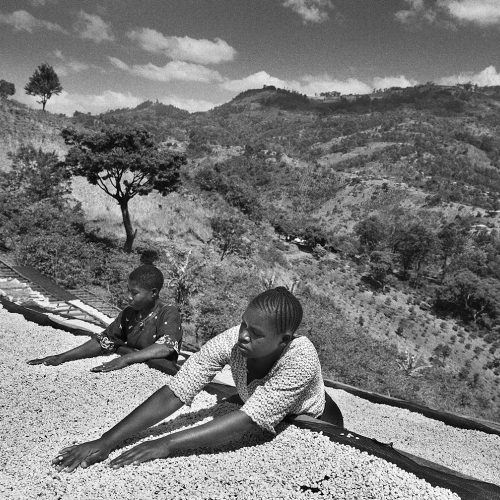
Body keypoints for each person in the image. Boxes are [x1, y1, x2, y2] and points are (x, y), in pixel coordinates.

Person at [51, 287, 343, 472]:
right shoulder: (233, 340)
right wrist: (107, 441)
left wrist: (165, 445)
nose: (243, 335)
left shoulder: (300, 358)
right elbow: (177, 390)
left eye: (256, 333)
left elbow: (247, 419)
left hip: (313, 421)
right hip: (260, 407)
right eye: (244, 324)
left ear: (284, 340)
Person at [28, 265, 182, 372]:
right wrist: (61, 358)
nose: (129, 297)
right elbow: (105, 341)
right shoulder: (129, 313)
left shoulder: (167, 313)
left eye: (134, 293)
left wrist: (127, 359)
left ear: (153, 292)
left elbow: (166, 346)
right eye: (128, 291)